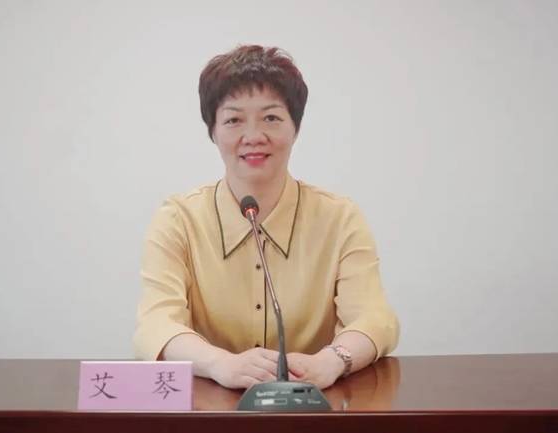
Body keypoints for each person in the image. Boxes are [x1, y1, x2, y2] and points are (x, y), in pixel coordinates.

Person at [134, 45, 399, 390]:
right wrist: (220, 364)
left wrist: (331, 361)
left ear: (295, 128)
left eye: (271, 118)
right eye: (233, 120)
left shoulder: (339, 218)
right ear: (213, 131)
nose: (254, 137)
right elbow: (155, 324)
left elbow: (374, 319)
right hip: (211, 406)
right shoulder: (178, 219)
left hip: (310, 404)